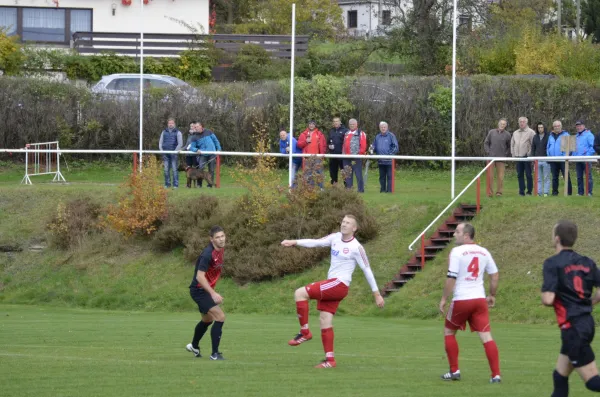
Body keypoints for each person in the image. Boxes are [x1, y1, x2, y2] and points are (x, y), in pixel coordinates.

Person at [281, 215, 385, 368]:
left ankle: (304, 332)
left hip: (339, 285)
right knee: (324, 320)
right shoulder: (335, 237)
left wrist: (376, 294)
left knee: (300, 293)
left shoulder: (357, 247)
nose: (344, 224)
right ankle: (330, 360)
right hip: (333, 284)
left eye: (348, 223)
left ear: (354, 228)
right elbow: (316, 242)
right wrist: (295, 242)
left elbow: (367, 270)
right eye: (343, 221)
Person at [541, 220, 600, 396]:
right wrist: (590, 302)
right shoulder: (587, 262)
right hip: (587, 324)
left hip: (572, 328)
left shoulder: (552, 263)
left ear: (557, 239)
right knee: (559, 376)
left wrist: (546, 295)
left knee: (593, 382)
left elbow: (548, 298)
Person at [438, 222, 501, 383]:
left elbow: (451, 276)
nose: (454, 234)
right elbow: (494, 275)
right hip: (479, 300)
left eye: (457, 232)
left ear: (466, 236)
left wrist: (444, 299)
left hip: (462, 300)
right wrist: (492, 295)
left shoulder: (457, 252)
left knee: (449, 332)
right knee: (486, 337)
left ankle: (454, 371)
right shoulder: (484, 252)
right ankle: (496, 375)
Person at [186, 226, 227, 361]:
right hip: (199, 290)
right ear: (211, 239)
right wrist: (213, 293)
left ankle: (194, 345)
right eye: (217, 237)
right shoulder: (207, 254)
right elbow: (200, 276)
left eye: (222, 236)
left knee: (207, 320)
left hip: (204, 290)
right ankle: (215, 354)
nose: (221, 239)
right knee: (220, 316)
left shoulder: (220, 250)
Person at [484, 119, 512, 197]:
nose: (502, 125)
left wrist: (505, 154)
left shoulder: (507, 134)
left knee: (500, 176)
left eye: (504, 124)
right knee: (490, 176)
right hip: (491, 158)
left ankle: (499, 192)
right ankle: (489, 193)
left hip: (501, 158)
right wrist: (488, 151)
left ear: (505, 125)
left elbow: (509, 146)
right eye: (501, 123)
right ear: (498, 124)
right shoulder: (491, 132)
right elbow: (486, 143)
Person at [190, 122, 221, 188]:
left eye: (197, 126)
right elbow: (191, 147)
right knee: (200, 169)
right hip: (203, 154)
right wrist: (196, 150)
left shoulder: (208, 131)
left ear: (201, 126)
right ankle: (199, 184)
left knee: (211, 170)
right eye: (195, 127)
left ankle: (210, 185)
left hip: (212, 153)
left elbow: (215, 140)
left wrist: (218, 149)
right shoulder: (194, 137)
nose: (196, 128)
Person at [297, 120, 326, 188]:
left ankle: (321, 189)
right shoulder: (303, 134)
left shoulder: (319, 134)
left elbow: (324, 146)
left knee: (319, 174)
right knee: (308, 174)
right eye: (310, 124)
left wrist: (322, 155)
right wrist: (305, 141)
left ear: (315, 125)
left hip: (317, 157)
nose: (311, 125)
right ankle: (310, 190)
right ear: (308, 125)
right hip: (307, 158)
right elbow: (299, 145)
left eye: (313, 124)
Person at [511, 117, 535, 196]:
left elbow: (533, 145)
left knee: (528, 174)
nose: (521, 123)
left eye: (523, 122)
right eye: (520, 122)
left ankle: (529, 191)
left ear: (526, 123)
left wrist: (529, 154)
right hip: (518, 157)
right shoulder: (515, 133)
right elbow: (512, 144)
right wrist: (513, 155)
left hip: (526, 157)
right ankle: (521, 191)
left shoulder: (531, 132)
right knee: (519, 175)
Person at [547, 120, 573, 196]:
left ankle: (569, 193)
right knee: (554, 177)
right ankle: (555, 193)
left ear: (561, 126)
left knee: (566, 177)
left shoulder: (566, 134)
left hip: (563, 160)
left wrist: (565, 157)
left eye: (558, 126)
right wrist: (549, 157)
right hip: (553, 160)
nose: (557, 127)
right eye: (555, 126)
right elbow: (548, 147)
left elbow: (570, 148)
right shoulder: (550, 135)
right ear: (553, 127)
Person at [372, 121, 399, 193]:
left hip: (389, 161)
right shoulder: (377, 137)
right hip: (380, 161)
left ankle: (389, 191)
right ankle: (383, 190)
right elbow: (373, 146)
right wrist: (370, 150)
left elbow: (396, 147)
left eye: (384, 127)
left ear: (387, 128)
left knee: (390, 177)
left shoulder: (391, 136)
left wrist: (389, 155)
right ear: (379, 128)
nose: (383, 128)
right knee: (382, 177)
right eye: (381, 127)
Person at [342, 119, 368, 193]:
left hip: (356, 158)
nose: (352, 125)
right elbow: (344, 145)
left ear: (356, 124)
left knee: (358, 174)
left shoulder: (361, 133)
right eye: (350, 124)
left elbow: (363, 145)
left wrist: (360, 154)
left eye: (353, 124)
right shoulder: (346, 133)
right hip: (346, 158)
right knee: (347, 174)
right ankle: (349, 189)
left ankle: (360, 190)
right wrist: (343, 154)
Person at [158, 118, 183, 189]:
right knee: (166, 170)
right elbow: (160, 142)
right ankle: (167, 184)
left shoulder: (178, 132)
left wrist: (175, 151)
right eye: (169, 123)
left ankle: (175, 185)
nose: (170, 124)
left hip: (174, 154)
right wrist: (161, 150)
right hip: (165, 154)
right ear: (167, 124)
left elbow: (180, 144)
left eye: (172, 123)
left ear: (174, 124)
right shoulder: (163, 132)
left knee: (174, 170)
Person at [573, 121, 595, 196]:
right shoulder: (576, 136)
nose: (578, 127)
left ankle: (589, 192)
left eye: (580, 126)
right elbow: (574, 148)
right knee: (579, 177)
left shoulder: (589, 135)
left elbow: (593, 146)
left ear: (584, 126)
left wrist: (587, 155)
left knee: (588, 176)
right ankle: (580, 192)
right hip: (577, 159)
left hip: (586, 159)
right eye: (577, 126)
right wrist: (573, 156)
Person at [532, 122, 551, 197]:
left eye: (541, 127)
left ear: (544, 128)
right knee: (538, 178)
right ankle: (539, 192)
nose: (540, 129)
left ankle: (546, 192)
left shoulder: (549, 136)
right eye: (539, 127)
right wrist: (533, 158)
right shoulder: (535, 137)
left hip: (546, 160)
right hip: (537, 160)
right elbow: (533, 148)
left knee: (546, 177)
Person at [327, 117, 348, 185]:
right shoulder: (331, 131)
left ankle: (347, 187)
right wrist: (329, 146)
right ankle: (334, 187)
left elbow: (347, 143)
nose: (335, 122)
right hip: (333, 155)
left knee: (344, 172)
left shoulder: (345, 130)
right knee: (333, 172)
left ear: (340, 122)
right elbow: (328, 141)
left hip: (342, 155)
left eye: (337, 121)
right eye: (334, 121)